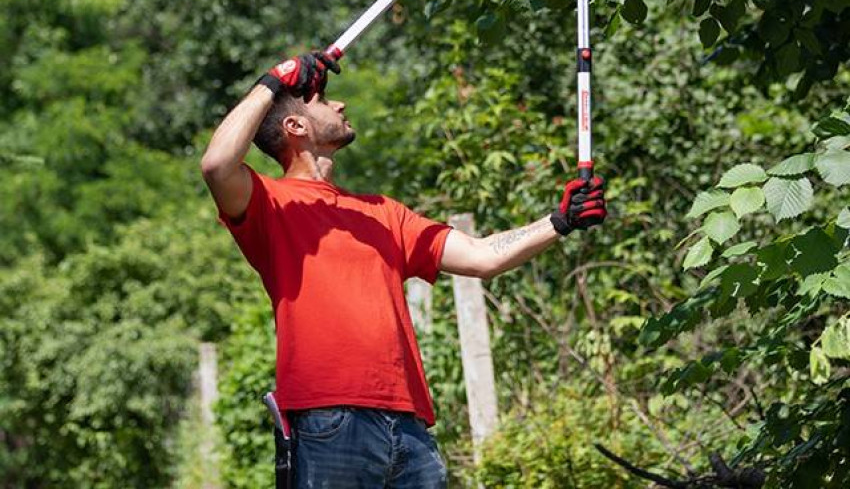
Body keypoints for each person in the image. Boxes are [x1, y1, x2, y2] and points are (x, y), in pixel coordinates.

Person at [201, 50, 606, 488]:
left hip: (410, 428)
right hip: (327, 422)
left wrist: (559, 222)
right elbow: (216, 164)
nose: (339, 105)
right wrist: (274, 81)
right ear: (295, 127)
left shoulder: (383, 212)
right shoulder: (269, 203)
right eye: (323, 101)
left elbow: (483, 257)